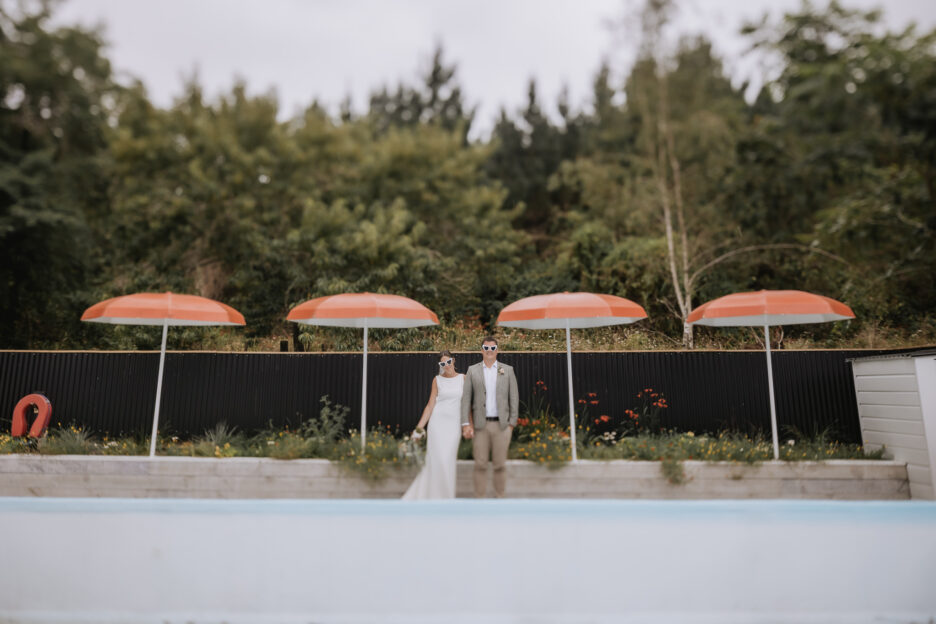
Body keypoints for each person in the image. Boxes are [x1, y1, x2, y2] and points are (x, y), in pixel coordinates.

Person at [460, 336, 519, 498]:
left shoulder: (508, 370)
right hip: (480, 426)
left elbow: (514, 397)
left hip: (502, 426)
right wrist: (466, 423)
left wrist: (511, 424)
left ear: (497, 350)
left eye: (493, 348)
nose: (489, 351)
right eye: (486, 348)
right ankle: (479, 500)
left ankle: (500, 499)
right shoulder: (472, 370)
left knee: (500, 465)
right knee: (480, 465)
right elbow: (466, 398)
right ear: (481, 350)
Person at [402, 351, 464, 500]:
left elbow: (467, 404)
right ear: (440, 365)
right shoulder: (437, 380)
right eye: (443, 364)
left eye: (449, 362)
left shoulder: (464, 378)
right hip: (437, 424)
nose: (447, 366)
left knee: (447, 459)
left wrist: (467, 424)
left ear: (453, 361)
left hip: (454, 425)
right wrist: (419, 429)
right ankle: (434, 497)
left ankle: (447, 497)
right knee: (436, 460)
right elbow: (430, 406)